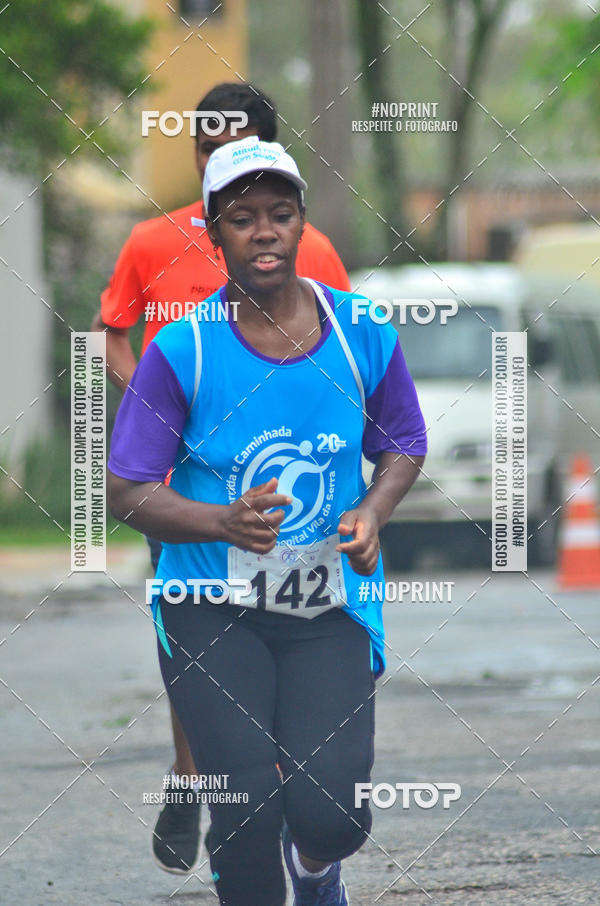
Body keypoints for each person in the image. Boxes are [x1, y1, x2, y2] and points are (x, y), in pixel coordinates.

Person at [107, 136, 427, 905]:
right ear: (214, 232)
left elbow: (403, 441)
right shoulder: (181, 350)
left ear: (302, 226)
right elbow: (126, 489)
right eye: (243, 218)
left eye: (279, 214)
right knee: (246, 811)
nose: (264, 232)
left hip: (328, 606)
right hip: (209, 609)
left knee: (332, 816)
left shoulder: (361, 331)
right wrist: (221, 522)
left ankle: (316, 870)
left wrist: (373, 509)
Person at [92, 82, 351, 874]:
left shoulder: (310, 248)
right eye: (205, 150)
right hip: (184, 495)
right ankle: (193, 774)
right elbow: (113, 331)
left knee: (295, 648)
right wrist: (157, 412)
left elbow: (349, 354)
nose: (218, 162)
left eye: (236, 146)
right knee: (199, 639)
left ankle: (270, 792)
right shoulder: (148, 242)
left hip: (290, 495)